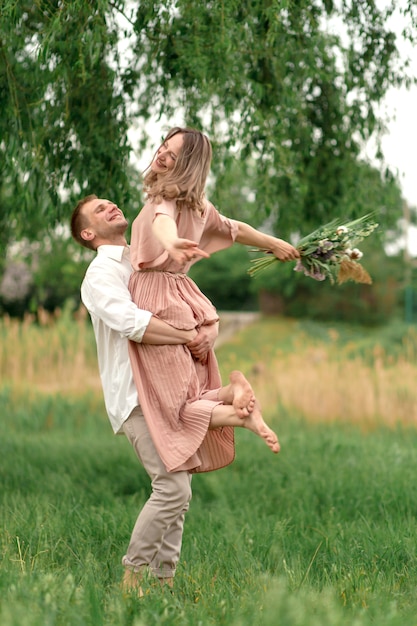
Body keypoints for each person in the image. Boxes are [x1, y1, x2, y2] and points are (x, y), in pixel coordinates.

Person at [70, 195, 263, 595]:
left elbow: (183, 301)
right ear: (88, 233)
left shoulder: (146, 257)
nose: (111, 208)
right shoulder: (100, 274)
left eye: (111, 203)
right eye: (99, 210)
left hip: (176, 390)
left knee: (180, 490)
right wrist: (190, 336)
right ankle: (133, 576)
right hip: (138, 397)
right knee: (172, 489)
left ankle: (163, 580)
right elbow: (133, 323)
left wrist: (208, 328)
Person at [128, 125, 300, 477]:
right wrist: (272, 243)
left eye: (172, 154)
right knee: (187, 395)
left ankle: (237, 412)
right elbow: (235, 229)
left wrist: (172, 243)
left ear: (187, 165)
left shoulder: (168, 198)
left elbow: (164, 223)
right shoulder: (200, 206)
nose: (161, 154)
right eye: (163, 146)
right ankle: (229, 397)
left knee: (170, 408)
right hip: (182, 297)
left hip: (157, 297)